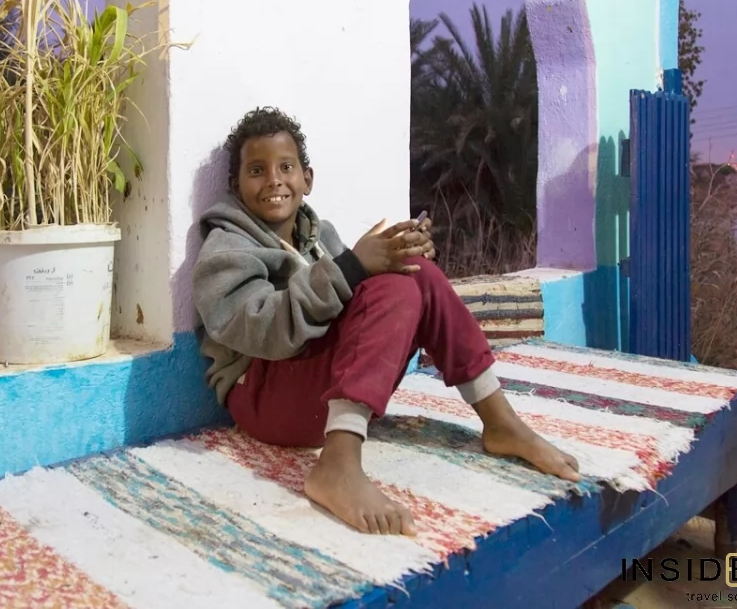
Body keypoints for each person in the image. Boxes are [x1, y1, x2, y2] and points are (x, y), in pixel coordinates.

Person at [192, 107, 581, 537]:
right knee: (394, 283)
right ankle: (337, 465)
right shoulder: (225, 249)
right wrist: (353, 267)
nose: (274, 181)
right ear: (235, 185)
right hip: (263, 399)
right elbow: (261, 328)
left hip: (311, 390)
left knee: (416, 272)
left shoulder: (321, 236)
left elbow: (351, 311)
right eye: (256, 170)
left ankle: (500, 421)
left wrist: (394, 255)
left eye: (286, 167)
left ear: (308, 178)